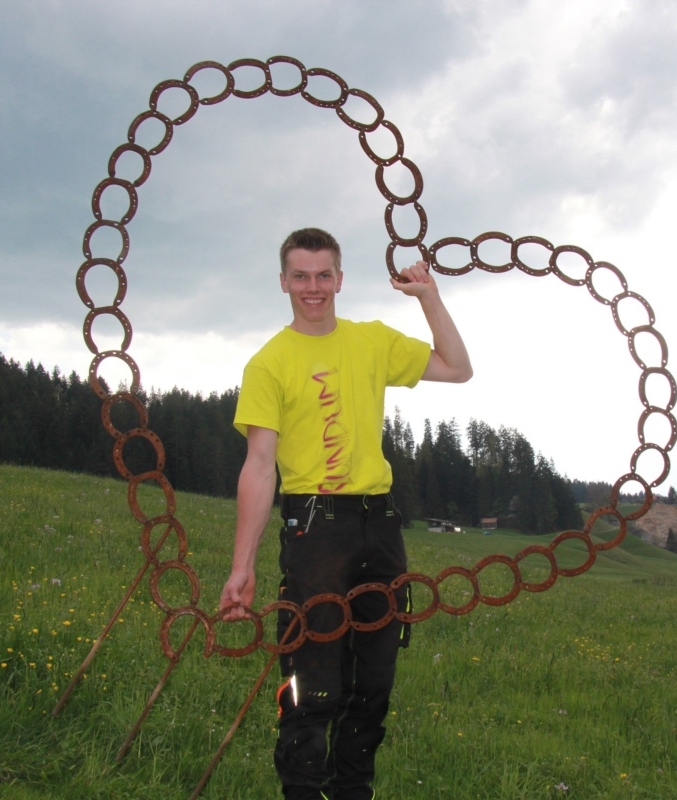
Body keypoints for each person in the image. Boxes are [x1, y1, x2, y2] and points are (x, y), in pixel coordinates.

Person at [219, 227, 472, 800]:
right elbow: (259, 466)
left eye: (323, 275)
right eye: (301, 276)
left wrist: (429, 297)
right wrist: (242, 566)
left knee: (374, 682)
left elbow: (457, 368)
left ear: (340, 279)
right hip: (314, 529)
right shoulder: (268, 363)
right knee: (313, 682)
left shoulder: (371, 341)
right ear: (283, 281)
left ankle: (354, 790)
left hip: (379, 527)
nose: (313, 287)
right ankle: (302, 791)